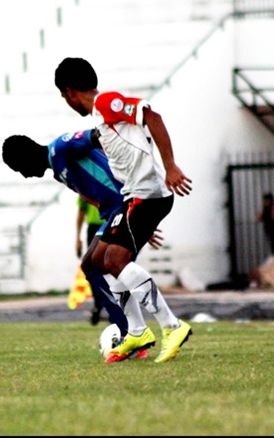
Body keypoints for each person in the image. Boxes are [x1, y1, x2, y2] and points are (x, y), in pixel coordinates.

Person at [54, 57, 193, 363]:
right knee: (101, 260)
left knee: (114, 259)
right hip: (134, 198)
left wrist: (170, 167)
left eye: (64, 97)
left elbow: (152, 116)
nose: (67, 102)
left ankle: (172, 326)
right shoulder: (100, 119)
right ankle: (137, 332)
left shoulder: (106, 103)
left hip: (148, 194)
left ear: (69, 92)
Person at [2, 130, 149, 354]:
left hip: (123, 205)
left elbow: (99, 134)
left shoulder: (61, 146)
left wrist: (138, 203)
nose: (24, 175)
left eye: (20, 168)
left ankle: (134, 332)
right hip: (114, 212)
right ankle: (129, 331)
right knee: (95, 266)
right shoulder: (57, 168)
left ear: (26, 157)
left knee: (101, 265)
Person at [76, 196, 106, 325]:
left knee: (112, 267)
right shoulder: (84, 186)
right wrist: (77, 238)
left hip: (112, 222)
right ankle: (98, 304)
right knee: (91, 268)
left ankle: (113, 308)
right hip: (94, 228)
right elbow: (81, 211)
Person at [256, 192, 274, 257]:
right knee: (272, 246)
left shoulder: (272, 207)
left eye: (267, 200)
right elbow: (259, 218)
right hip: (269, 230)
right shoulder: (265, 209)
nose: (265, 202)